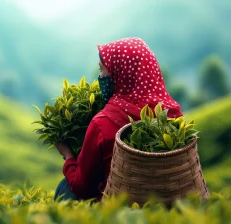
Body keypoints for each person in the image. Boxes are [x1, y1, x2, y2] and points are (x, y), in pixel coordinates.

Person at [54, 37, 183, 202]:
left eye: (102, 69)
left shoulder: (103, 123)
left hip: (116, 209)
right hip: (165, 205)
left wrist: (68, 156)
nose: (100, 76)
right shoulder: (174, 115)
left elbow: (81, 186)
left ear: (120, 73)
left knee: (65, 186)